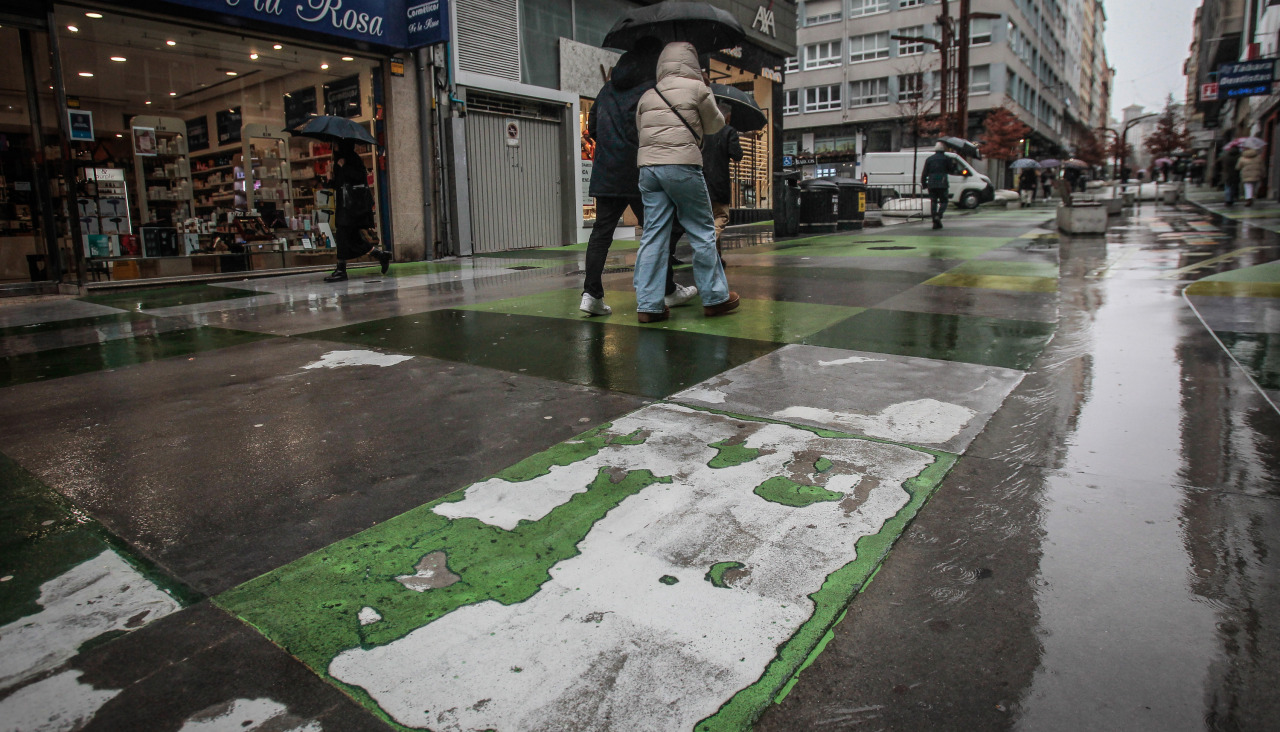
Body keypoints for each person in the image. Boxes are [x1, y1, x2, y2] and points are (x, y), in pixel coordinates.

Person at [579, 40, 692, 316]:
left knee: (601, 234)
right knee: (656, 231)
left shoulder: (606, 91)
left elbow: (592, 128)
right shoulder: (648, 91)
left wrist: (610, 147)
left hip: (606, 171)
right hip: (640, 170)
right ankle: (667, 290)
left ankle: (591, 294)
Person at [633, 41, 737, 323]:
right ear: (691, 62)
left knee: (653, 234)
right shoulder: (698, 89)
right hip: (682, 165)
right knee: (702, 229)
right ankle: (715, 298)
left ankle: (648, 305)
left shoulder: (648, 95)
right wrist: (705, 88)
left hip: (649, 170)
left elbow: (641, 129)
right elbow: (717, 125)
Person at [323, 140, 390, 282]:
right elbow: (339, 185)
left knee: (343, 235)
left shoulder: (352, 159)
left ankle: (341, 269)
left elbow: (359, 178)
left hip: (352, 207)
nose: (334, 148)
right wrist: (329, 177)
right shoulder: (337, 161)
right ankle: (380, 255)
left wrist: (344, 167)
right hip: (344, 205)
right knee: (352, 238)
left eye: (335, 145)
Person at [920, 142, 950, 230]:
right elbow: (951, 169)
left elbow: (924, 173)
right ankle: (939, 215)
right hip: (942, 182)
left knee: (933, 202)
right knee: (944, 201)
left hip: (932, 183)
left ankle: (935, 221)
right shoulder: (946, 159)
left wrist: (924, 184)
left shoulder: (929, 159)